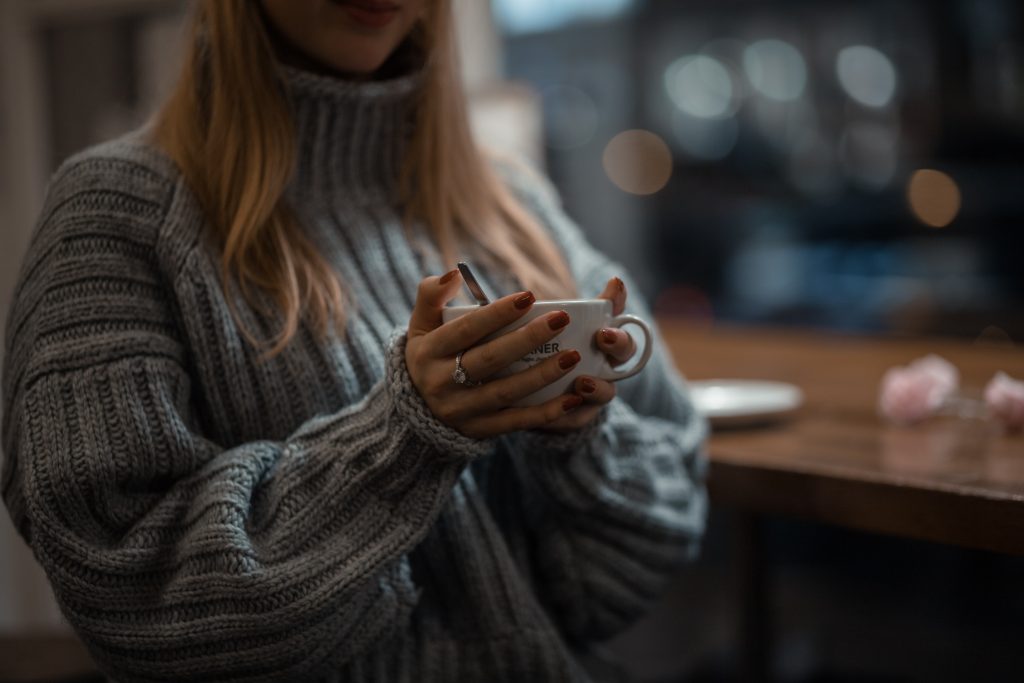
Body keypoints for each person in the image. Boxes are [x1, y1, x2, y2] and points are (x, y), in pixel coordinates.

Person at [1, 1, 707, 680]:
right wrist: (404, 439)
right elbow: (132, 605)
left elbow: (650, 554)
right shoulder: (115, 214)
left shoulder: (513, 205)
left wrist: (578, 441)